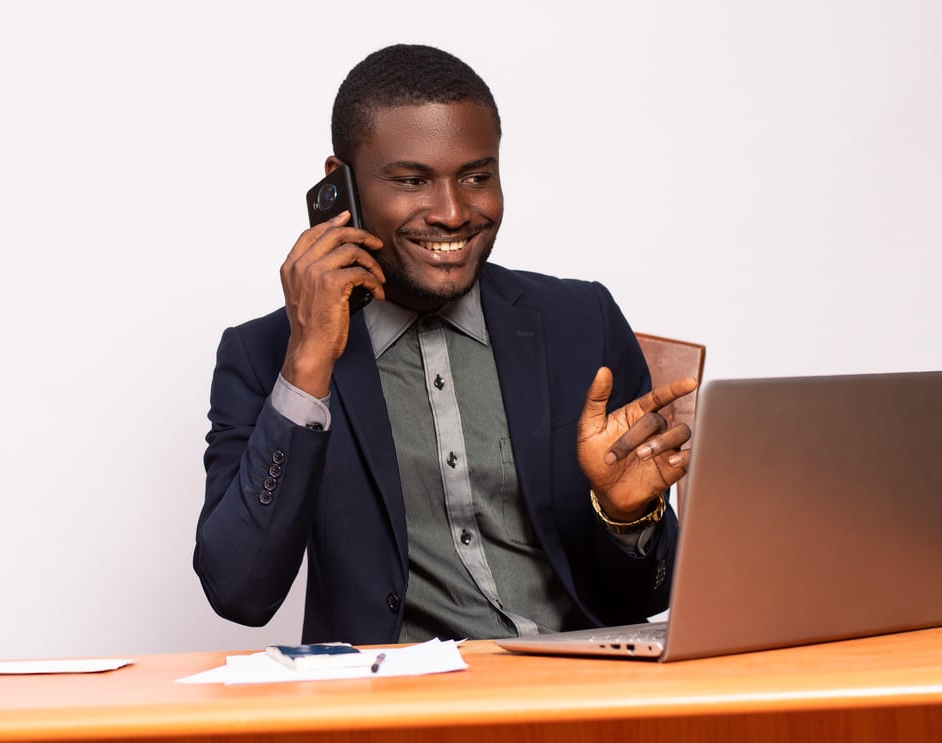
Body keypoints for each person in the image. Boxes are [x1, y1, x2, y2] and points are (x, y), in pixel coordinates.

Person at [194, 44, 697, 645]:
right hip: (399, 709)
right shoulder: (264, 356)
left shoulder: (579, 321)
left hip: (575, 694)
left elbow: (647, 597)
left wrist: (625, 518)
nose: (454, 213)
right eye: (412, 181)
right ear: (341, 185)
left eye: (477, 177)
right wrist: (306, 366)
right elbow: (238, 591)